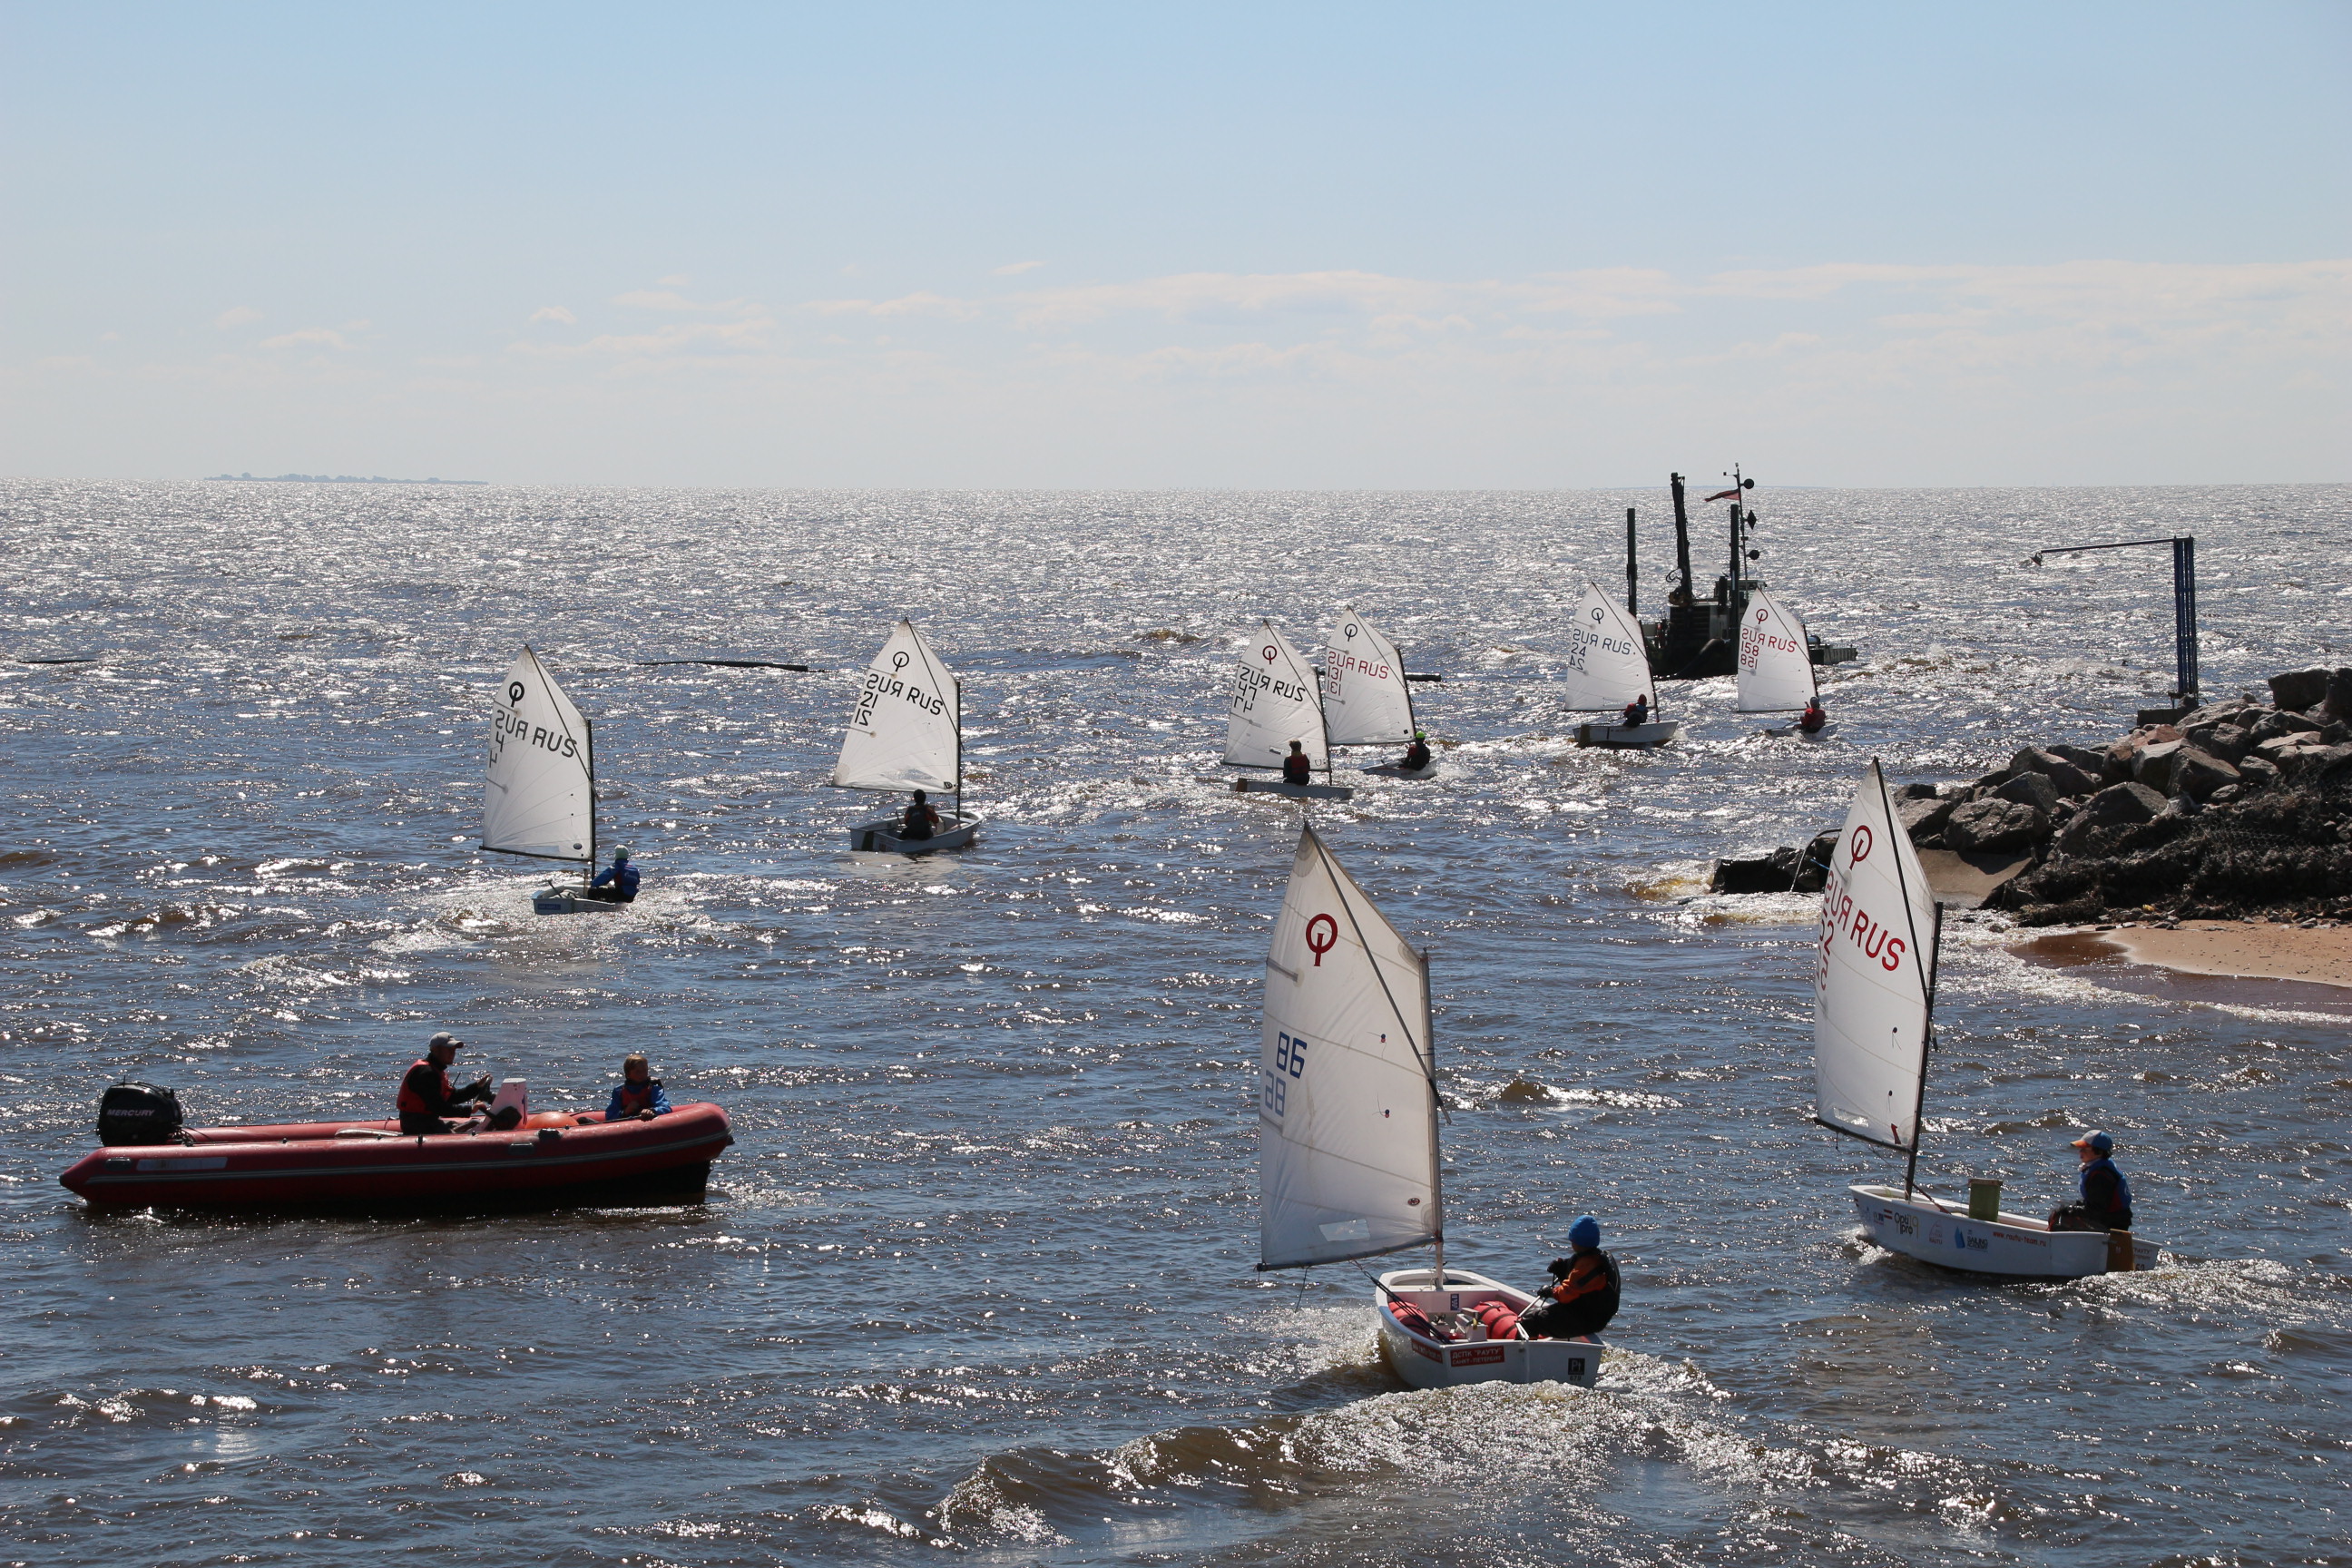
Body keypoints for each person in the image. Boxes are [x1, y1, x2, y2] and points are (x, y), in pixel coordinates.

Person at [1516, 1215, 1621, 1339]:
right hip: (1587, 1315)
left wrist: (1550, 1292)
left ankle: (1522, 1355)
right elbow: (1580, 1288)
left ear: (1576, 1241)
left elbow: (1566, 1295)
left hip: (1585, 1320)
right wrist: (1561, 1269)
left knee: (1528, 1322)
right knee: (1535, 1316)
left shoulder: (1586, 1267)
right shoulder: (1595, 1259)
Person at [397, 1031, 493, 1135]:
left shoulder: (436, 1071)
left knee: (473, 1123)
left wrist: (477, 1087)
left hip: (428, 1121)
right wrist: (469, 1110)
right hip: (417, 1124)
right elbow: (439, 1107)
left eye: (454, 1049)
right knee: (457, 1134)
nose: (453, 1053)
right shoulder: (425, 1073)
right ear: (435, 1050)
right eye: (448, 1049)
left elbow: (452, 1097)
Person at [2049, 1130, 2133, 1232]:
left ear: (2099, 1152)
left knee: (2063, 1219)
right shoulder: (2099, 1168)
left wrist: (2069, 1211)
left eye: (2085, 1148)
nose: (2080, 1151)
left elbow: (2096, 1211)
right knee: (2062, 1214)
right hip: (2109, 1220)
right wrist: (2069, 1209)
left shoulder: (2101, 1176)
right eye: (2081, 1148)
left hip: (2112, 1225)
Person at [602, 1054, 672, 1122]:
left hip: (650, 1123)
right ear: (628, 1074)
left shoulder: (654, 1089)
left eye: (645, 1070)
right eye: (637, 1072)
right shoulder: (619, 1091)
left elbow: (666, 1108)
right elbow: (610, 1116)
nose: (642, 1074)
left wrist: (652, 1110)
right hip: (627, 1125)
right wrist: (625, 1112)